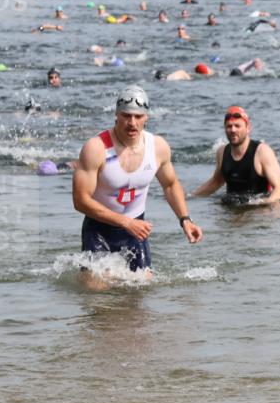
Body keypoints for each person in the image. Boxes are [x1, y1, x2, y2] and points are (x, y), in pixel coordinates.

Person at [72, 85, 202, 285]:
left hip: (135, 231)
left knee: (140, 290)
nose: (132, 123)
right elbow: (80, 200)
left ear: (146, 117)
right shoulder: (96, 148)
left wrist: (185, 219)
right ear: (116, 115)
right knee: (97, 291)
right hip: (99, 231)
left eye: (138, 116)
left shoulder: (157, 147)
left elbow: (170, 185)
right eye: (126, 115)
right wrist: (125, 222)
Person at [194, 106, 280, 204]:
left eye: (237, 126)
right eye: (229, 126)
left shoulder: (262, 152)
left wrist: (264, 203)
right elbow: (216, 182)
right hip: (230, 208)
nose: (233, 130)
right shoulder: (222, 152)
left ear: (248, 128)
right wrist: (191, 197)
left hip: (257, 210)